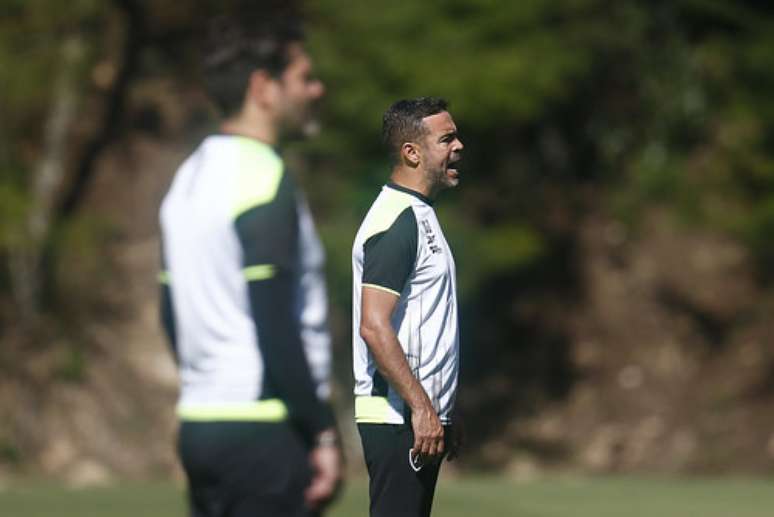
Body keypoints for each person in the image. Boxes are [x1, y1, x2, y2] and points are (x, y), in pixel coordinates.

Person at [158, 12, 341, 517]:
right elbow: (275, 324)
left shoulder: (187, 179)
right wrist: (320, 429)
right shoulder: (264, 178)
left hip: (200, 425)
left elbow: (170, 313)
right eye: (304, 77)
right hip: (265, 433)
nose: (317, 89)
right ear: (264, 88)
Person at [352, 97, 465, 517]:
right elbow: (374, 326)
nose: (459, 146)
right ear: (411, 152)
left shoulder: (420, 214)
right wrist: (422, 407)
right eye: (447, 138)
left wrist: (443, 407)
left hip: (416, 416)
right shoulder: (396, 221)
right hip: (397, 416)